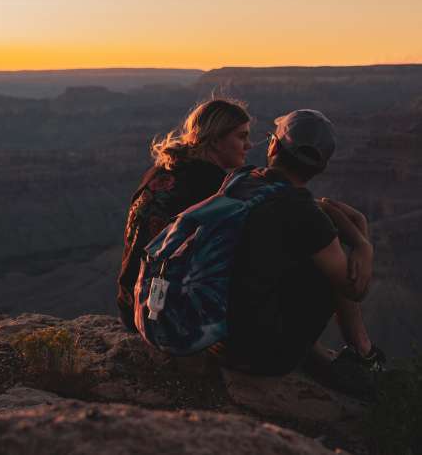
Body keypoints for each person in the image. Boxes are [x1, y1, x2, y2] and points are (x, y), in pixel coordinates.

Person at [215, 109, 384, 395]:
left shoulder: (241, 180)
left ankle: (356, 352)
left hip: (214, 338)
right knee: (333, 270)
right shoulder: (304, 214)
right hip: (257, 357)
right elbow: (355, 289)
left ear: (273, 146)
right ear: (320, 167)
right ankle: (363, 354)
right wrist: (362, 243)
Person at [117, 98, 252, 331]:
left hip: (132, 304)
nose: (248, 145)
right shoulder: (211, 186)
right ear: (217, 139)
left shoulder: (161, 170)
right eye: (241, 136)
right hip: (161, 316)